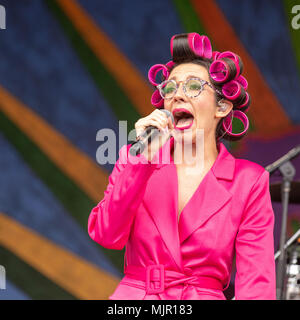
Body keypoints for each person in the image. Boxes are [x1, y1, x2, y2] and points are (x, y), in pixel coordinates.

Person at [87, 33, 276, 300]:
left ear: (221, 107)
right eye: (170, 88)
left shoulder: (249, 180)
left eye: (193, 87)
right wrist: (143, 161)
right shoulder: (135, 159)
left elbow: (256, 285)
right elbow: (107, 235)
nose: (177, 96)